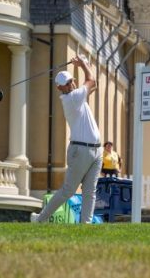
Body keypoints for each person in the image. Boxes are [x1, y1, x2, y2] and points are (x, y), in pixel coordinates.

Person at [31, 56, 101, 224]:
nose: (71, 84)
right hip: (80, 151)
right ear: (59, 87)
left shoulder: (77, 96)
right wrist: (83, 64)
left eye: (72, 81)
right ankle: (40, 219)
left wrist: (84, 65)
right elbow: (91, 80)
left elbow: (94, 85)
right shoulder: (71, 98)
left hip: (96, 151)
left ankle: (85, 225)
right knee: (68, 190)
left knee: (90, 191)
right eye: (67, 83)